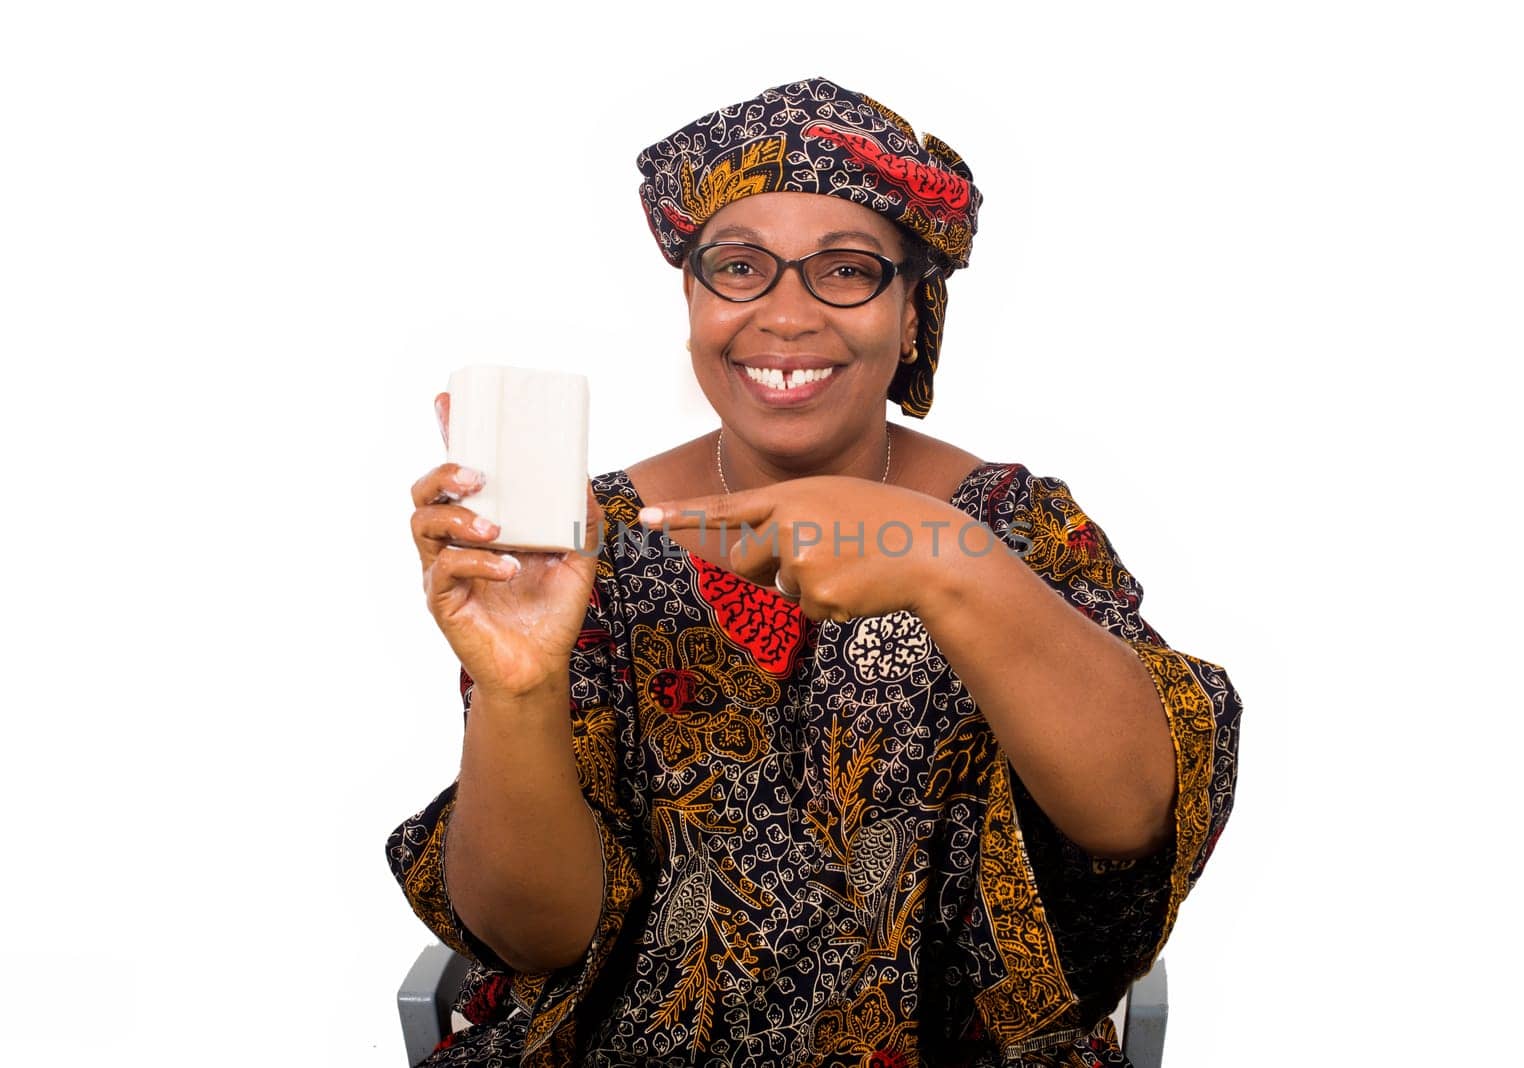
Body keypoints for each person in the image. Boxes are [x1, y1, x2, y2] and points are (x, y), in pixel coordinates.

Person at [388, 76, 1242, 1067]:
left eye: (843, 271)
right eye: (739, 267)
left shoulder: (1017, 527)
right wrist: (519, 686)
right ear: (694, 298)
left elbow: (1134, 820)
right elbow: (534, 942)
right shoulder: (579, 542)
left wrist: (944, 559)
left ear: (915, 314)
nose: (784, 316)